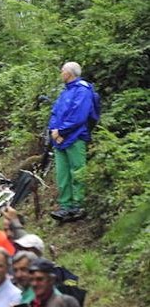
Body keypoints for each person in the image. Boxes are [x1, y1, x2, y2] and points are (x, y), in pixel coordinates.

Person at [49, 61, 95, 222]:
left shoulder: (83, 90)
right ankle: (65, 206)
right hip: (59, 140)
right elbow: (55, 113)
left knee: (77, 171)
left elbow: (79, 116)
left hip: (76, 137)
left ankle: (78, 205)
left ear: (69, 73)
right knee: (62, 174)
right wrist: (55, 131)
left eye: (63, 71)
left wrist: (62, 131)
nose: (61, 73)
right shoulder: (65, 92)